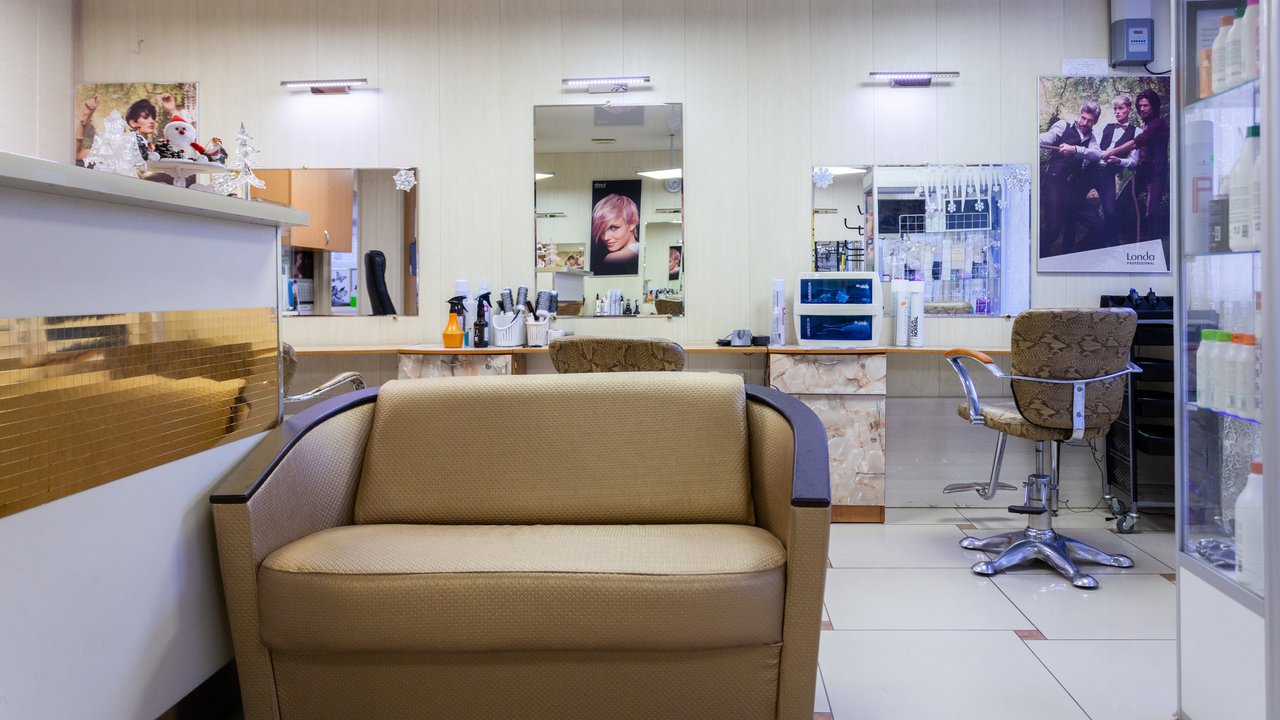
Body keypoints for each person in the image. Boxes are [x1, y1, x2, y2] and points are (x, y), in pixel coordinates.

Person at [1103, 88, 1169, 243]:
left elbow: (1136, 143)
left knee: (1151, 213)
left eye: (1146, 105)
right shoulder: (1146, 124)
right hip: (1142, 171)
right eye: (1140, 106)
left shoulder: (1158, 124)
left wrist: (1113, 151)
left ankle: (1153, 246)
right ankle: (1116, 241)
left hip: (1156, 173)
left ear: (1154, 106)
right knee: (1120, 202)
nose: (1142, 109)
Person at [1038, 100, 1102, 257]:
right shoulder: (1063, 126)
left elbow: (1096, 154)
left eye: (1090, 120)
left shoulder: (1092, 139)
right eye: (1083, 118)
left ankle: (1076, 256)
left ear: (1095, 121)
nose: (1085, 122)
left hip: (1073, 190)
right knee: (1053, 230)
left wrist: (1075, 149)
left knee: (1099, 226)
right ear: (1080, 114)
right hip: (1054, 184)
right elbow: (1048, 137)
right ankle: (1040, 258)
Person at [1080, 94, 1141, 248]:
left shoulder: (1137, 132)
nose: (1117, 112)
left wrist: (1118, 161)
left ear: (1129, 109)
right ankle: (1070, 246)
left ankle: (1113, 247)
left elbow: (1133, 161)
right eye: (1115, 109)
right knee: (1073, 201)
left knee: (1111, 212)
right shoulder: (1103, 127)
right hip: (1090, 171)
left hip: (1108, 175)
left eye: (1121, 108)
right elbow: (1092, 149)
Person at [589, 193, 640, 275]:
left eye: (614, 228)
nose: (605, 237)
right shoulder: (642, 248)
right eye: (602, 230)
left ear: (632, 223)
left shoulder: (612, 258)